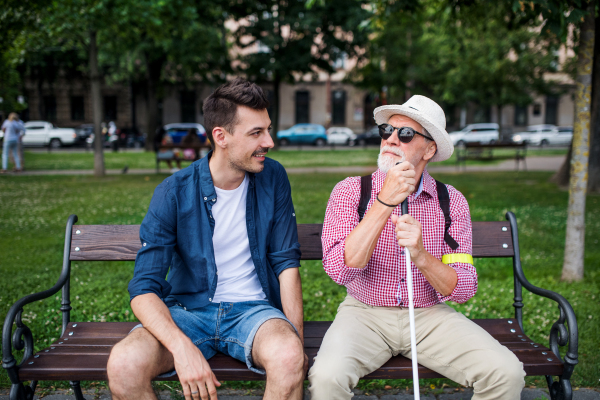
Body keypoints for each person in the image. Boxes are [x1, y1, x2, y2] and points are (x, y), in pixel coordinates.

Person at [308, 95, 525, 399]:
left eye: (405, 134)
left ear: (429, 148)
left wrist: (422, 256)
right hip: (364, 314)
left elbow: (462, 289)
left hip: (429, 315)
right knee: (327, 378)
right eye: (387, 130)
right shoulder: (351, 191)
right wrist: (384, 201)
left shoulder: (451, 203)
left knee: (506, 374)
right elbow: (338, 270)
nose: (391, 139)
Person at [107, 78, 306, 400]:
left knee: (288, 356)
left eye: (268, 129)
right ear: (221, 136)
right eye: (256, 133)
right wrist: (181, 348)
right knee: (124, 364)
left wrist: (294, 339)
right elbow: (144, 288)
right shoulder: (174, 192)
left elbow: (286, 263)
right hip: (187, 311)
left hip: (254, 311)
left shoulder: (273, 177)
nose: (269, 141)